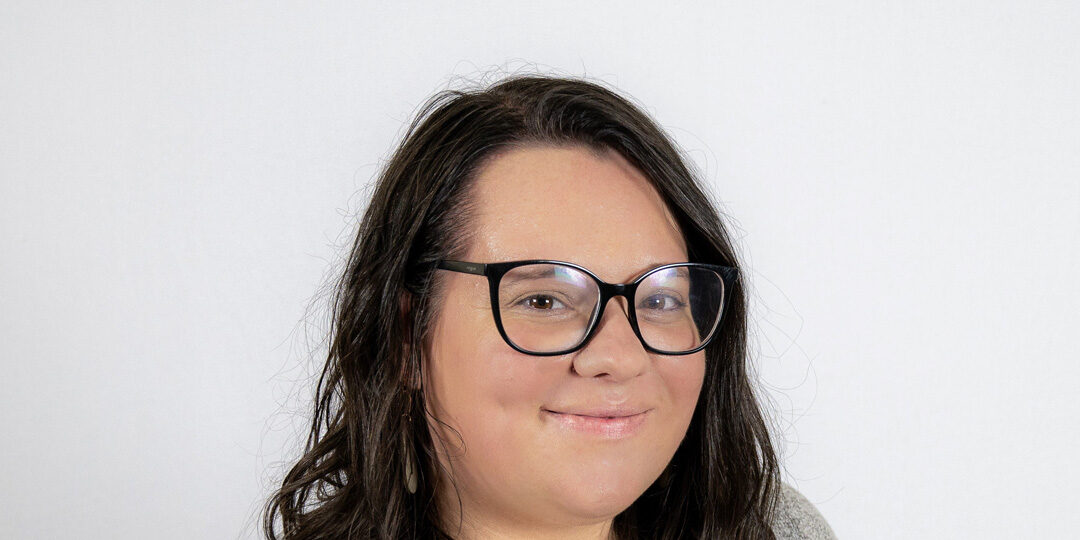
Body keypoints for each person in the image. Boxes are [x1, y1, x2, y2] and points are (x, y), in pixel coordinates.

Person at [263, 75, 836, 539]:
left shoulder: (776, 529)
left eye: (661, 299)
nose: (619, 357)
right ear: (405, 340)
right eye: (543, 300)